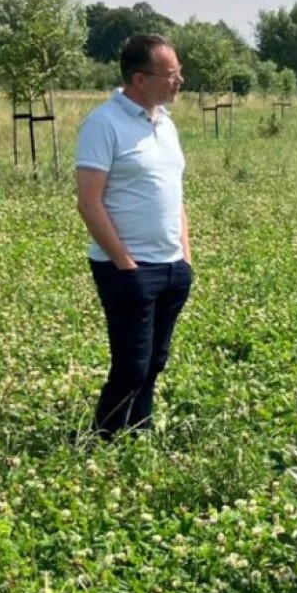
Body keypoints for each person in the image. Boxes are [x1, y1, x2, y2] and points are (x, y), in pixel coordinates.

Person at [75, 34, 193, 438]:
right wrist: (126, 265)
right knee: (131, 367)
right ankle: (103, 441)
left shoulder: (166, 123)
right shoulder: (103, 124)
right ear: (140, 79)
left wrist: (185, 258)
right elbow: (89, 201)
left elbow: (175, 194)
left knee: (155, 362)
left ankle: (138, 435)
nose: (180, 81)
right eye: (171, 74)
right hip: (127, 268)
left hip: (171, 267)